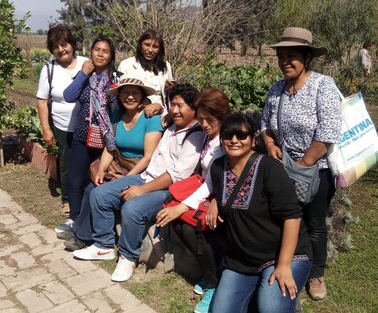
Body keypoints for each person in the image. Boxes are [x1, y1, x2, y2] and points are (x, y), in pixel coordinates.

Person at [72, 84, 206, 284]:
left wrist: (140, 190)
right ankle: (104, 245)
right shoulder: (171, 125)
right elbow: (158, 112)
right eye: (173, 105)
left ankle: (128, 256)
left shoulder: (196, 135)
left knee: (133, 208)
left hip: (169, 190)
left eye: (180, 106)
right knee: (100, 193)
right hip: (146, 176)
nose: (175, 110)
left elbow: (175, 176)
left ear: (194, 108)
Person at [260, 27, 342, 301]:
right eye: (281, 56)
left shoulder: (323, 85)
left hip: (314, 170)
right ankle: (289, 260)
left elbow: (328, 132)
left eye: (291, 56)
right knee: (287, 217)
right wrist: (270, 144)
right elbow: (264, 124)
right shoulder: (276, 89)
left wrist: (303, 164)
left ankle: (316, 274)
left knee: (314, 221)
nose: (285, 61)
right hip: (283, 167)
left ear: (306, 58)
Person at [205, 113, 312, 312]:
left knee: (270, 309)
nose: (234, 140)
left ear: (253, 140)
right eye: (228, 135)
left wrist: (284, 265)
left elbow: (292, 216)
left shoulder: (269, 168)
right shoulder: (218, 168)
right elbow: (222, 193)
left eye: (241, 135)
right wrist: (214, 200)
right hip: (241, 259)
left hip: (280, 256)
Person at [62, 76, 163, 250]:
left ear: (142, 96)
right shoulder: (116, 115)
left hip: (141, 172)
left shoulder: (150, 119)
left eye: (134, 93)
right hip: (120, 165)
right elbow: (110, 147)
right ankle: (83, 232)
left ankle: (84, 236)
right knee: (92, 187)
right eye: (125, 93)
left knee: (101, 192)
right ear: (120, 96)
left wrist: (126, 180)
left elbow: (148, 157)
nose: (130, 97)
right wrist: (101, 169)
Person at [155, 88, 230, 313]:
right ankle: (210, 277)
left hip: (223, 197)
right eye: (201, 119)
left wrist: (183, 206)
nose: (204, 124)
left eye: (210, 119)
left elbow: (216, 181)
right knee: (177, 222)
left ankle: (214, 284)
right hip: (208, 192)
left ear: (222, 116)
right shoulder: (209, 136)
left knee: (192, 228)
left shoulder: (225, 142)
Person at [55, 37, 121, 238]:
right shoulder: (84, 76)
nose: (100, 54)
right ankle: (74, 219)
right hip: (83, 136)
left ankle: (94, 222)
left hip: (107, 141)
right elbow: (69, 96)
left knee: (100, 181)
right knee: (75, 180)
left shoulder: (116, 79)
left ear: (111, 56)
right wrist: (83, 74)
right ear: (90, 52)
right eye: (97, 50)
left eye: (105, 51)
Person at [36, 24, 88, 215]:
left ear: (72, 45)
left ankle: (87, 195)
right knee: (67, 163)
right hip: (62, 125)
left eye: (64, 44)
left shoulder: (86, 63)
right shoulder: (48, 70)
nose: (61, 50)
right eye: (56, 47)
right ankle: (68, 199)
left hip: (87, 125)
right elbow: (42, 102)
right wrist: (46, 129)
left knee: (88, 162)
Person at [118, 29, 175, 121]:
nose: (150, 50)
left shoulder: (166, 66)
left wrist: (170, 89)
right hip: (135, 114)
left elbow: (167, 96)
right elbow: (119, 93)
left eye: (155, 47)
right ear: (140, 45)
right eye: (147, 45)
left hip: (162, 114)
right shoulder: (126, 65)